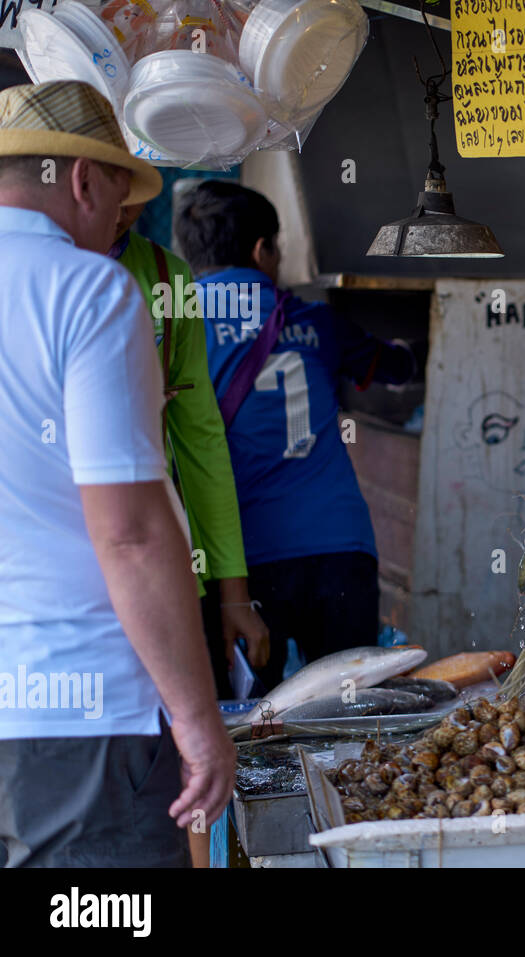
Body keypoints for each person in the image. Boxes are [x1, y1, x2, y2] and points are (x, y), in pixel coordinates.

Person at [0, 81, 233, 866]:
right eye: (118, 207)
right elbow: (129, 533)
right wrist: (198, 719)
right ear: (83, 180)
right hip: (79, 720)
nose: (116, 230)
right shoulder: (89, 290)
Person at [174, 181, 421, 691]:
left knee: (253, 721)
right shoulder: (317, 321)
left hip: (236, 561)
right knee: (349, 711)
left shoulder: (173, 324)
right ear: (263, 250)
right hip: (338, 548)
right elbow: (396, 367)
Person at [109, 203, 271, 692]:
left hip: (158, 567)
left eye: (132, 185)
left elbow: (200, 441)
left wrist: (233, 595)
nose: (120, 207)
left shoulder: (166, 278)